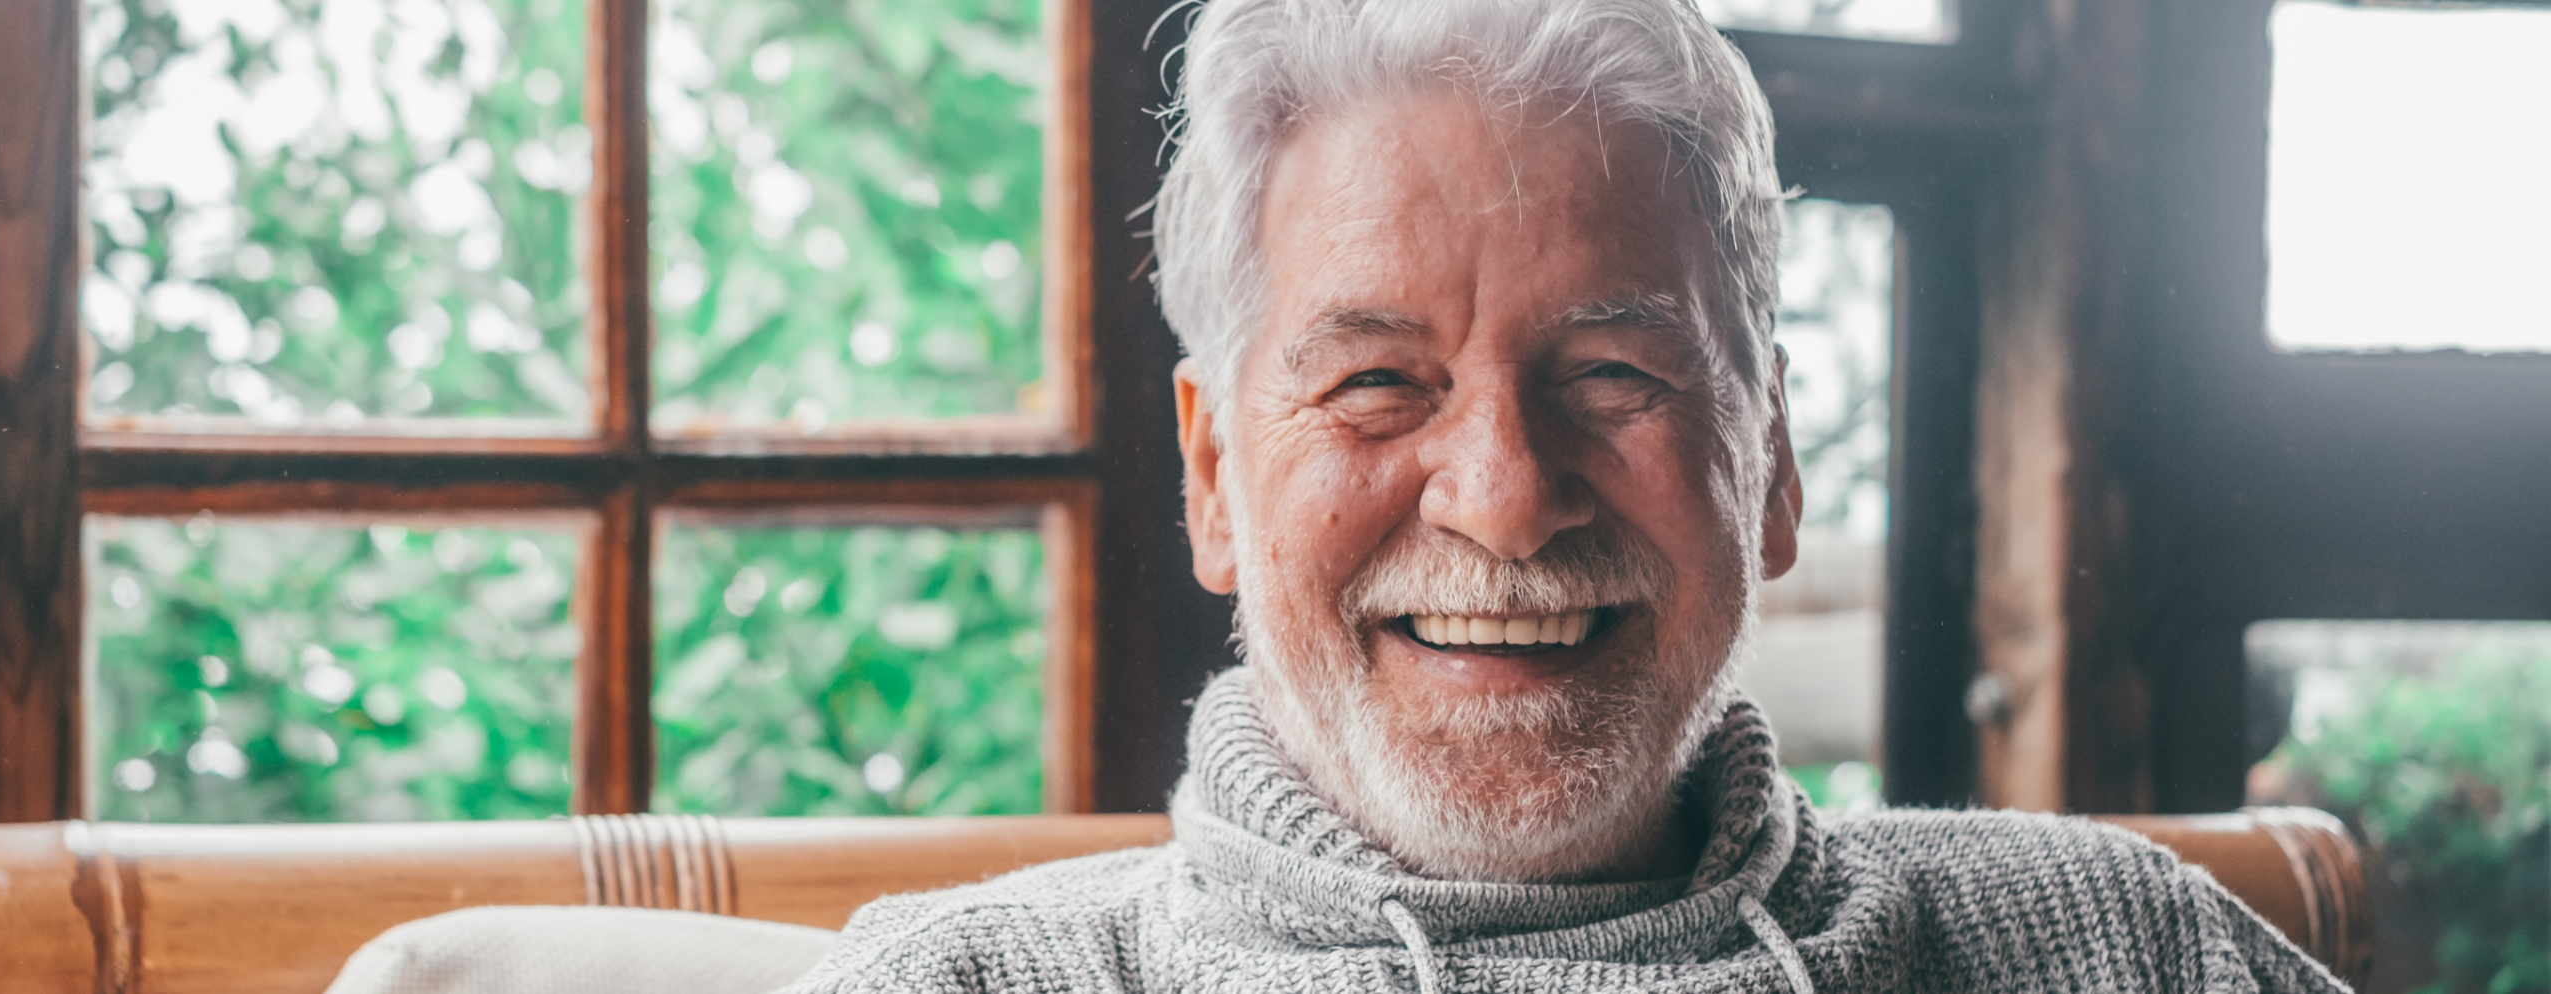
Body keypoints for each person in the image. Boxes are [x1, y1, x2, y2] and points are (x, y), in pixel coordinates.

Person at [784, 0, 2350, 990]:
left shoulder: (2130, 950)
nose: (1506, 497)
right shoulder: (967, 982)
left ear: (1773, 461)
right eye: (1379, 383)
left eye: (1614, 374)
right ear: (1211, 478)